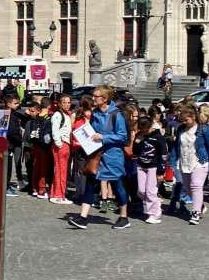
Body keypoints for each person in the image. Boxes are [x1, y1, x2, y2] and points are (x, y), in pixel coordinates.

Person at [68, 86, 131, 230]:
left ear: (105, 99)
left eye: (96, 96)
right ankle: (83, 217)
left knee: (117, 185)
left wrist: (103, 137)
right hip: (97, 154)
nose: (93, 98)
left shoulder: (116, 115)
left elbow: (122, 136)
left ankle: (124, 217)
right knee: (90, 183)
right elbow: (92, 131)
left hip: (113, 155)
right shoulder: (95, 113)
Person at [174, 104, 209, 225]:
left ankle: (195, 213)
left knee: (196, 186)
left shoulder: (204, 129)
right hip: (185, 162)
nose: (184, 122)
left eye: (186, 119)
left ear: (193, 117)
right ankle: (200, 205)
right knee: (188, 189)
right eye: (182, 120)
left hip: (200, 162)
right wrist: (172, 160)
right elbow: (176, 146)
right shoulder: (181, 129)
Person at [132, 116, 167, 223]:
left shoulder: (158, 137)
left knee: (151, 191)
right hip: (141, 165)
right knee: (141, 191)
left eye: (146, 129)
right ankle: (155, 205)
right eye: (141, 129)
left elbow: (163, 154)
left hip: (154, 167)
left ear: (150, 126)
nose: (144, 131)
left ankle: (154, 214)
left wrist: (161, 172)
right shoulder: (140, 135)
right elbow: (135, 152)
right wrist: (137, 142)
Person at [49, 94, 74, 204]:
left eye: (68, 102)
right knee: (60, 170)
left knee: (62, 170)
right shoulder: (58, 115)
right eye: (64, 102)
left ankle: (57, 193)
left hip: (65, 144)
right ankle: (59, 195)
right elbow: (55, 131)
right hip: (62, 144)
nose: (67, 105)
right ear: (59, 103)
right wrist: (59, 144)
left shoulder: (66, 114)